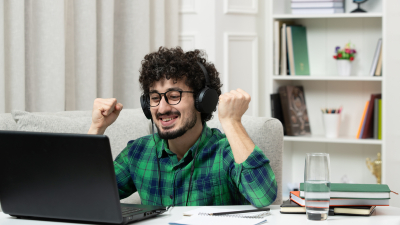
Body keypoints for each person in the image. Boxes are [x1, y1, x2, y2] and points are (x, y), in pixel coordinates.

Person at [88, 47, 277, 207]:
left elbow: (263, 196)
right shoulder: (138, 152)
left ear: (202, 101)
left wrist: (232, 121)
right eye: (155, 98)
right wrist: (96, 129)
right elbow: (89, 196)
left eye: (173, 96)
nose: (162, 108)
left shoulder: (226, 153)